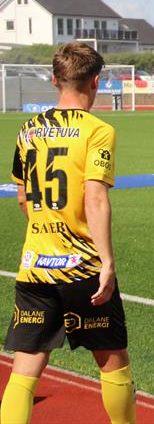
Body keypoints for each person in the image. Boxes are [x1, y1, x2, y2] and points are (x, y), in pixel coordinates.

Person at [1, 43, 135, 424]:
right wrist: (107, 262)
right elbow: (95, 198)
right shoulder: (98, 131)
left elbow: (23, 198)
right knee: (113, 363)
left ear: (54, 80)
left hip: (36, 267)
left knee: (24, 374)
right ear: (96, 82)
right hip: (82, 269)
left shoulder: (28, 131)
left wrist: (47, 233)